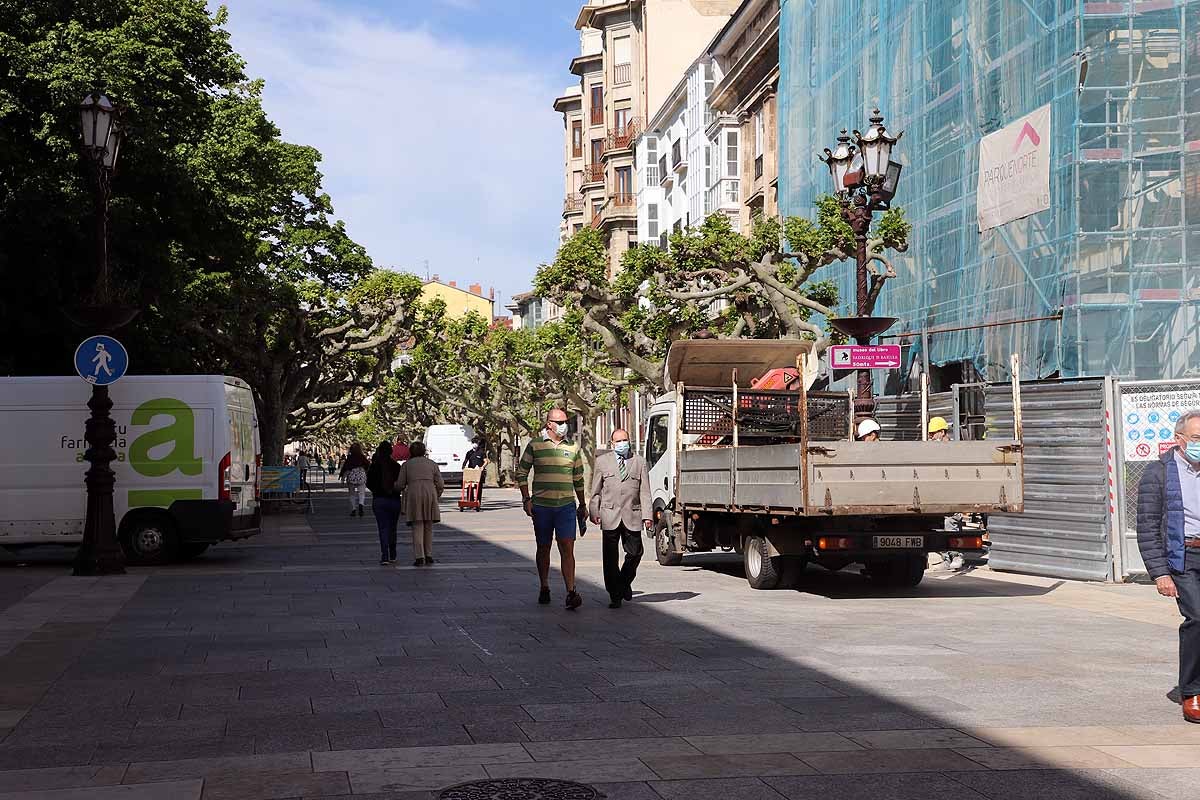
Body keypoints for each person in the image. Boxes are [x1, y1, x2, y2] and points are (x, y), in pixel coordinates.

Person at [1137, 410, 1200, 724]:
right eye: (1196, 438)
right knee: (1198, 618)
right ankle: (1192, 691)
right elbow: (1147, 526)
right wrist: (1160, 572)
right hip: (1183, 556)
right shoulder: (1158, 472)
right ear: (1180, 439)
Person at [517, 408, 587, 610]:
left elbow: (578, 479)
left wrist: (582, 505)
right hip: (542, 506)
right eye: (560, 421)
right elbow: (521, 472)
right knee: (544, 547)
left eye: (566, 420)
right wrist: (526, 499)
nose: (564, 424)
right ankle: (544, 586)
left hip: (566, 506)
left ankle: (571, 591)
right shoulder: (535, 445)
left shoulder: (573, 447)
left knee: (567, 547)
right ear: (549, 424)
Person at [589, 428, 652, 609]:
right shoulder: (602, 462)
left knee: (635, 552)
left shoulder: (639, 462)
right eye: (618, 441)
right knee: (610, 558)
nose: (622, 443)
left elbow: (645, 491)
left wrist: (648, 516)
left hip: (633, 513)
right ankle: (614, 594)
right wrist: (595, 511)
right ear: (612, 444)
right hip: (609, 514)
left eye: (625, 440)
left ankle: (623, 582)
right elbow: (596, 490)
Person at [395, 441, 444, 566]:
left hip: (414, 494)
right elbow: (440, 484)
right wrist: (436, 495)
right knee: (428, 525)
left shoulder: (407, 465)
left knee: (417, 526)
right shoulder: (432, 464)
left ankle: (419, 556)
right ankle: (429, 555)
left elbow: (400, 484)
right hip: (430, 493)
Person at [366, 441, 403, 565]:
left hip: (379, 499)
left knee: (383, 528)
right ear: (391, 452)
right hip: (394, 500)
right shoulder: (396, 466)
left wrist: (376, 490)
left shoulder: (374, 466)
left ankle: (385, 556)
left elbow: (368, 483)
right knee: (393, 528)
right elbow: (401, 483)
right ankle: (393, 554)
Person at [339, 443, 370, 517]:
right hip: (361, 475)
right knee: (361, 493)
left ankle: (353, 509)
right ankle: (361, 505)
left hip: (351, 476)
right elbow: (367, 465)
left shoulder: (349, 457)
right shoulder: (362, 457)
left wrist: (342, 476)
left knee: (352, 493)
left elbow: (345, 467)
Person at [462, 436, 489, 505]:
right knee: (469, 487)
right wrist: (463, 467)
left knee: (478, 488)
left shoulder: (481, 452)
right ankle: (470, 501)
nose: (474, 444)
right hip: (471, 472)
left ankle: (478, 501)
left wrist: (482, 467)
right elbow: (466, 460)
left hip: (479, 472)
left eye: (476, 443)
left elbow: (486, 461)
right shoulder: (469, 453)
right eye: (473, 442)